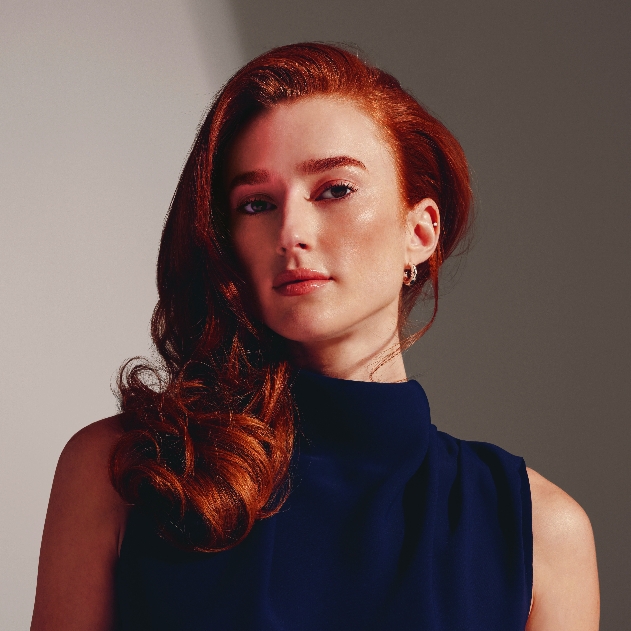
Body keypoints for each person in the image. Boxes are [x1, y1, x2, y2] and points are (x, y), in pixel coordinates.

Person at [31, 43, 599, 630]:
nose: (291, 231)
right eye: (255, 203)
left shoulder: (539, 531)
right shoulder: (124, 469)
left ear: (420, 232)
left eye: (334, 190)